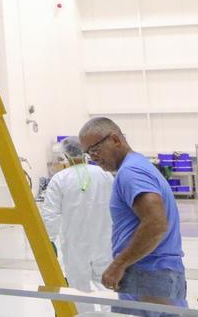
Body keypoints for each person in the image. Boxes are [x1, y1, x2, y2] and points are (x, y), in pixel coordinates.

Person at [78, 117, 187, 314]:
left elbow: (156, 223)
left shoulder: (131, 172)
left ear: (115, 139)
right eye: (88, 153)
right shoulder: (138, 166)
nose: (93, 157)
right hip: (152, 273)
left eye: (95, 149)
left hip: (149, 274)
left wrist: (119, 264)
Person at [39, 137, 114, 292]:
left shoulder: (59, 179)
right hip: (104, 240)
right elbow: (118, 207)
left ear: (66, 156)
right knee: (107, 286)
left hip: (75, 244)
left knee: (78, 289)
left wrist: (49, 240)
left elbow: (50, 214)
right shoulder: (105, 174)